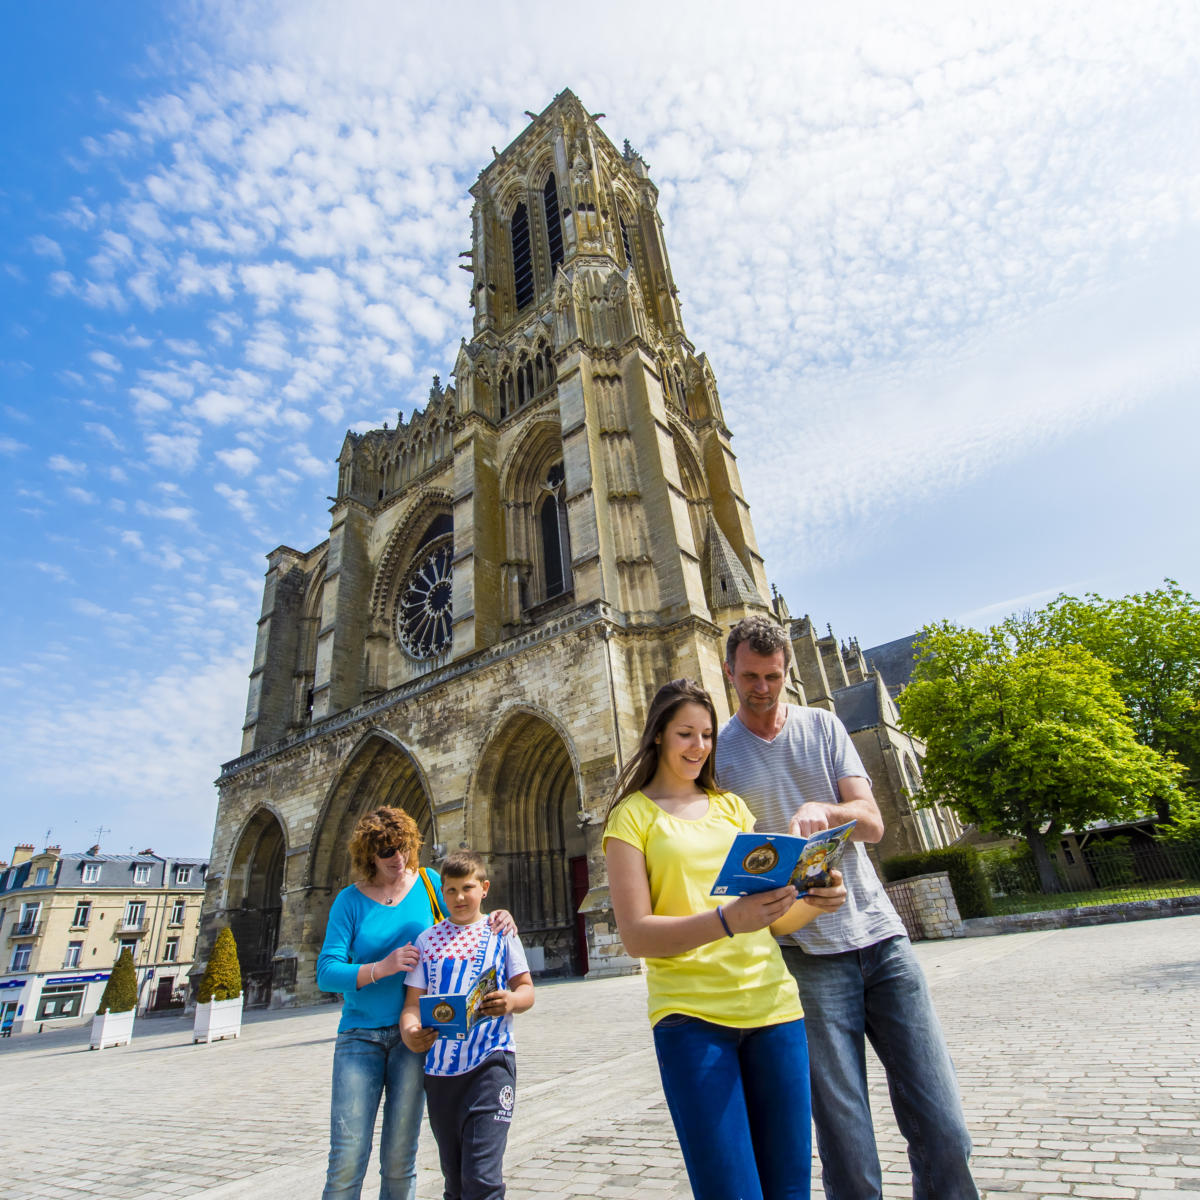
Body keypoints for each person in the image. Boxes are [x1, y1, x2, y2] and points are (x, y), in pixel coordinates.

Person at [718, 614, 979, 1200]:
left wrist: (826, 811)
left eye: (775, 676)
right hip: (804, 957)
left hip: (881, 941)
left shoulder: (824, 726)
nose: (763, 688)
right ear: (728, 670)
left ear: (790, 671)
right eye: (751, 676)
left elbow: (874, 823)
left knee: (945, 1129)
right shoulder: (719, 758)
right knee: (847, 1146)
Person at [602, 677, 847, 1200]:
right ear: (659, 736)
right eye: (686, 734)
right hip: (691, 1019)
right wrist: (727, 921)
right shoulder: (631, 818)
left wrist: (812, 900)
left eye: (708, 735)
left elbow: (771, 921)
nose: (699, 747)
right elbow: (637, 936)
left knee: (790, 1191)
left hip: (775, 1010)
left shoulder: (733, 808)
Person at [316, 807, 513, 1200]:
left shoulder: (428, 883)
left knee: (401, 1158)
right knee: (348, 1155)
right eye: (388, 849)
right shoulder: (349, 901)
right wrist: (381, 967)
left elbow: (464, 914)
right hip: (360, 1036)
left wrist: (499, 918)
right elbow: (326, 971)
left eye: (404, 846)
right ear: (369, 852)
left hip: (417, 1037)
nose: (398, 857)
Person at [400, 849, 534, 1200]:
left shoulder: (500, 931)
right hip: (441, 1072)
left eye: (468, 888)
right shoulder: (427, 941)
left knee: (482, 1178)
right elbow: (412, 1004)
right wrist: (411, 1032)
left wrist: (511, 1001)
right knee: (456, 1181)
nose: (460, 897)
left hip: (492, 1061)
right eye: (451, 890)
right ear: (440, 892)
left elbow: (526, 990)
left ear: (485, 888)